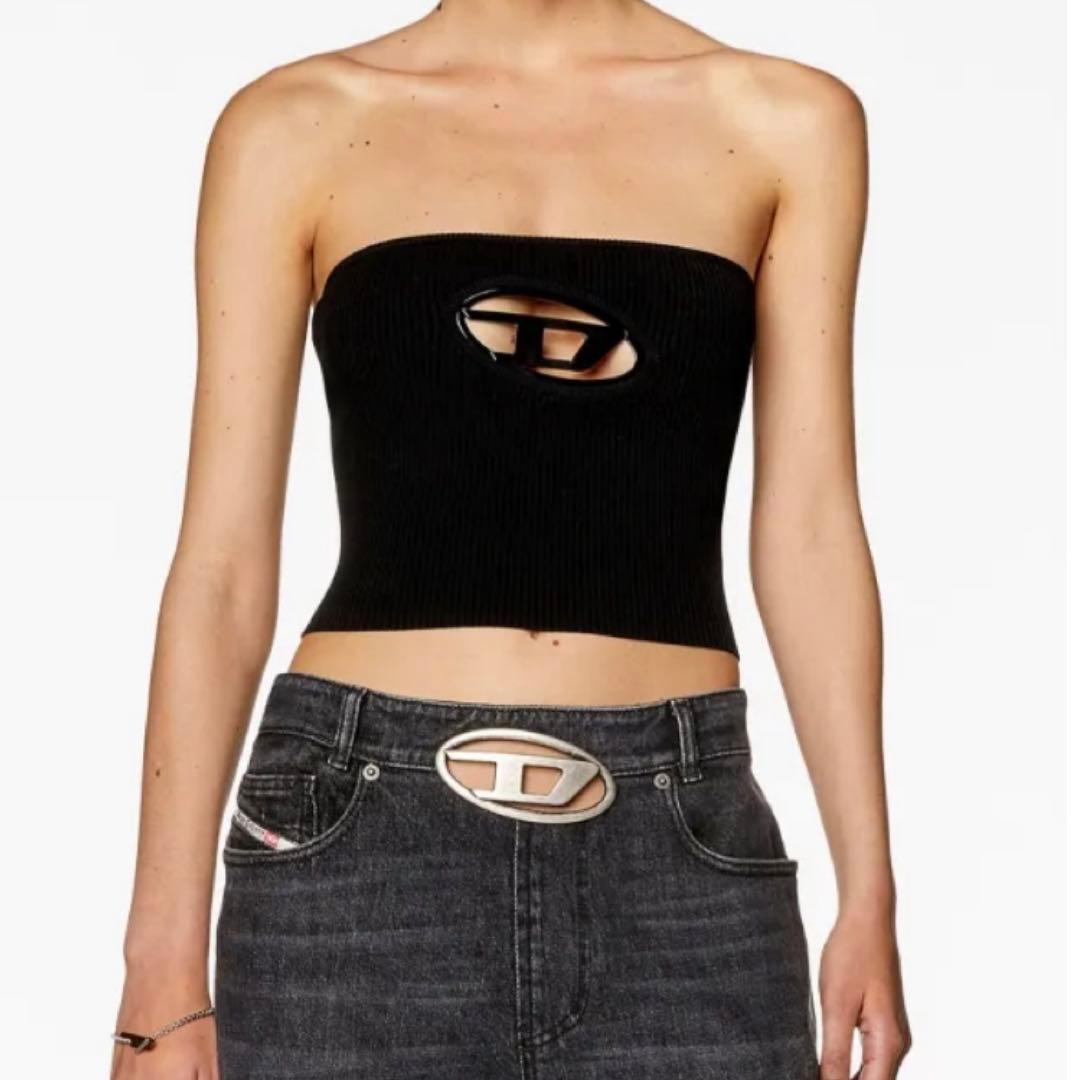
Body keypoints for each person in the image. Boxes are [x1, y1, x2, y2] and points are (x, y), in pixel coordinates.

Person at [111, 2, 911, 1078]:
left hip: (681, 856)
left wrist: (869, 891)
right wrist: (158, 969)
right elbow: (221, 567)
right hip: (355, 845)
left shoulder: (785, 120)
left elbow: (810, 522)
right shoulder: (296, 122)